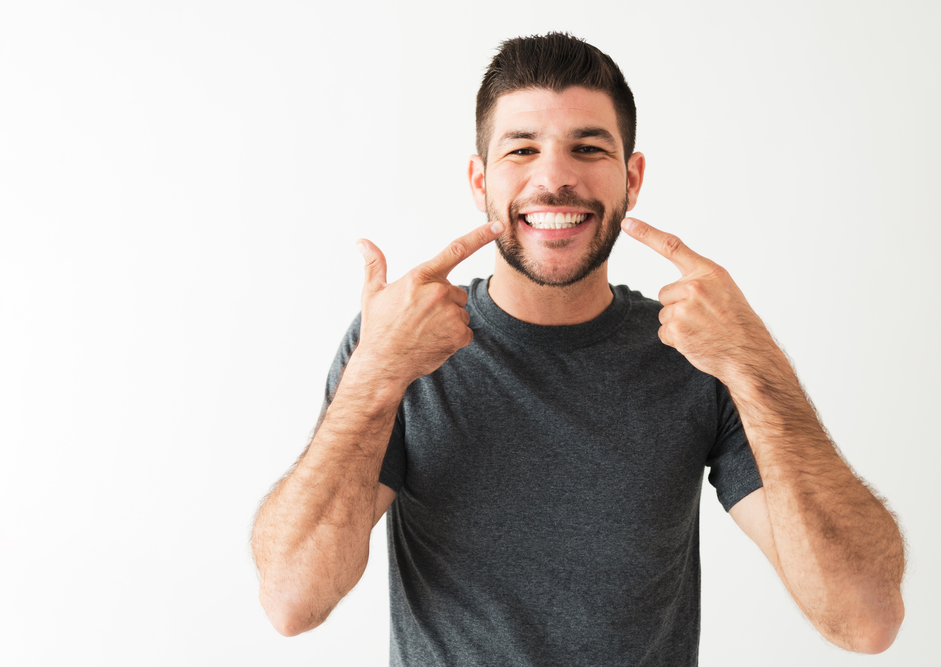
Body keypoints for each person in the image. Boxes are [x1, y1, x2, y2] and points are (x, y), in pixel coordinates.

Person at [251, 32, 905, 665]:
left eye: (588, 148)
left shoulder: (698, 351)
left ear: (632, 177)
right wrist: (377, 374)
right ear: (480, 182)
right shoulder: (397, 342)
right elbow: (292, 602)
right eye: (521, 150)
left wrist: (758, 367)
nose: (554, 177)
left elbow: (866, 619)